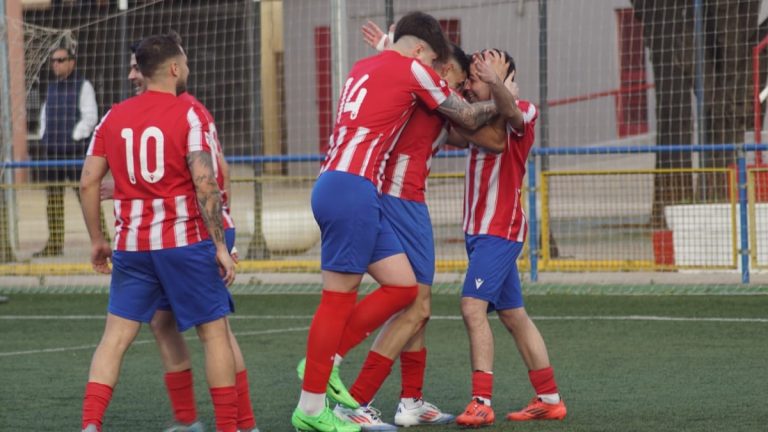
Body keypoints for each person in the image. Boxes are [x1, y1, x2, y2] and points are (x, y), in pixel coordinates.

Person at [293, 10, 501, 432]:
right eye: (437, 66)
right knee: (341, 301)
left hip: (349, 186)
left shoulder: (364, 67)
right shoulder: (413, 71)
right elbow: (472, 120)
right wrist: (503, 92)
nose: (441, 76)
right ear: (423, 52)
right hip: (358, 189)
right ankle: (319, 397)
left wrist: (390, 49)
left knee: (404, 288)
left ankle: (340, 380)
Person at [78, 33, 238, 432]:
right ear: (172, 69)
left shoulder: (112, 116)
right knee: (214, 334)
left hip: (132, 247)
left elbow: (87, 183)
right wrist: (220, 245)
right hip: (184, 243)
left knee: (114, 339)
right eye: (183, 62)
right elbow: (207, 182)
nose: (186, 68)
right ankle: (229, 426)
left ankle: (90, 425)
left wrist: (98, 240)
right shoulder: (189, 115)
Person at [330, 22, 470, 429]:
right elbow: (482, 131)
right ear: (440, 70)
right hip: (398, 199)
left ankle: (410, 401)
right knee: (416, 306)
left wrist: (389, 46)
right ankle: (353, 401)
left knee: (417, 309)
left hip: (406, 200)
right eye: (458, 82)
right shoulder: (428, 91)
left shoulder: (429, 95)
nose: (459, 91)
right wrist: (501, 93)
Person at [450, 50, 568, 427]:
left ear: (505, 77)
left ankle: (481, 401)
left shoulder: (525, 112)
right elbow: (451, 125)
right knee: (515, 316)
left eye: (479, 74)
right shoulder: (479, 120)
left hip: (498, 233)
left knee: (472, 308)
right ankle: (549, 398)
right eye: (470, 75)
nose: (471, 82)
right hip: (480, 235)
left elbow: (512, 113)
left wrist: (498, 85)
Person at [34, 43, 105, 257]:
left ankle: (103, 240)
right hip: (53, 153)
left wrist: (73, 137)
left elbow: (90, 117)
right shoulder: (52, 87)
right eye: (53, 61)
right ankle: (54, 244)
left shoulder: (83, 86)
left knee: (87, 196)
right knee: (53, 199)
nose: (56, 64)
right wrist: (44, 136)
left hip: (74, 153)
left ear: (72, 62)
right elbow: (44, 116)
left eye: (60, 60)